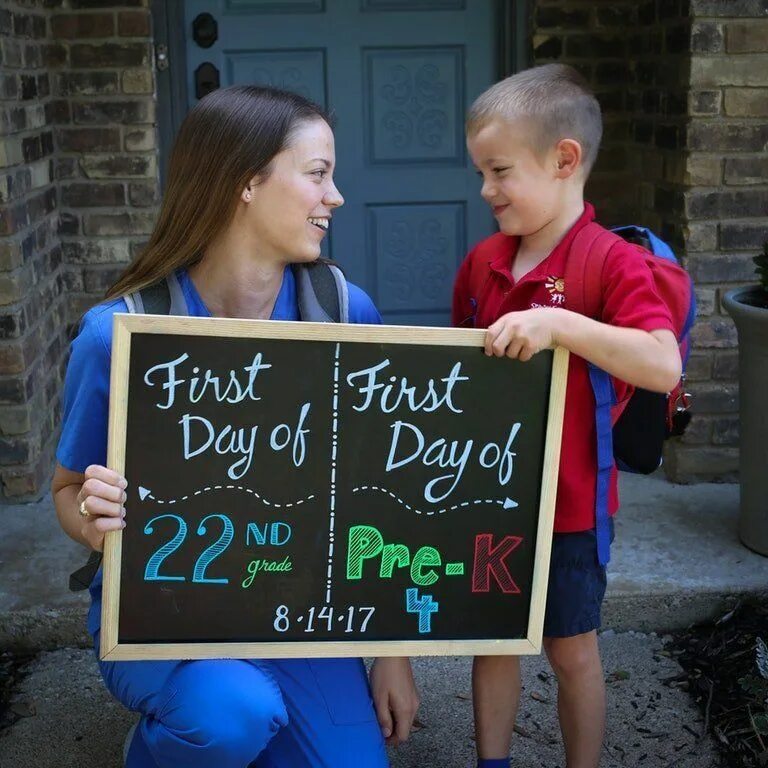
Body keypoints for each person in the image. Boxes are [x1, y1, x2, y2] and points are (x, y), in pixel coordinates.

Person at [52, 85, 419, 768]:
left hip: (297, 613)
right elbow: (67, 490)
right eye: (317, 174)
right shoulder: (120, 335)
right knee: (234, 718)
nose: (335, 196)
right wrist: (94, 524)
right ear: (246, 182)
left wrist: (390, 654)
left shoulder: (344, 312)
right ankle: (162, 745)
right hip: (164, 618)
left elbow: (372, 492)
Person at [452, 64, 682, 768]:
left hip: (574, 508)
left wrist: (560, 324)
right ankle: (493, 761)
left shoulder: (612, 263)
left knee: (570, 647)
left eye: (498, 171)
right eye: (482, 173)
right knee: (494, 638)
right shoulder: (483, 262)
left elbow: (660, 363)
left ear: (563, 160)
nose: (486, 190)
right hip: (491, 495)